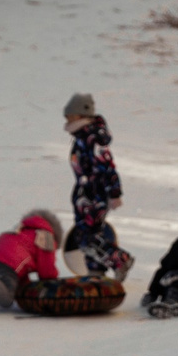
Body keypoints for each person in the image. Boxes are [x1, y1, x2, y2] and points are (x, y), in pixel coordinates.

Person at [62, 93, 132, 281]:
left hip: (95, 195)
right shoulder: (81, 137)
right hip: (85, 194)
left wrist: (114, 192)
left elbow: (107, 165)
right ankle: (96, 271)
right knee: (90, 234)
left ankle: (120, 260)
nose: (66, 119)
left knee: (88, 237)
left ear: (80, 115)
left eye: (69, 115)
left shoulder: (92, 138)